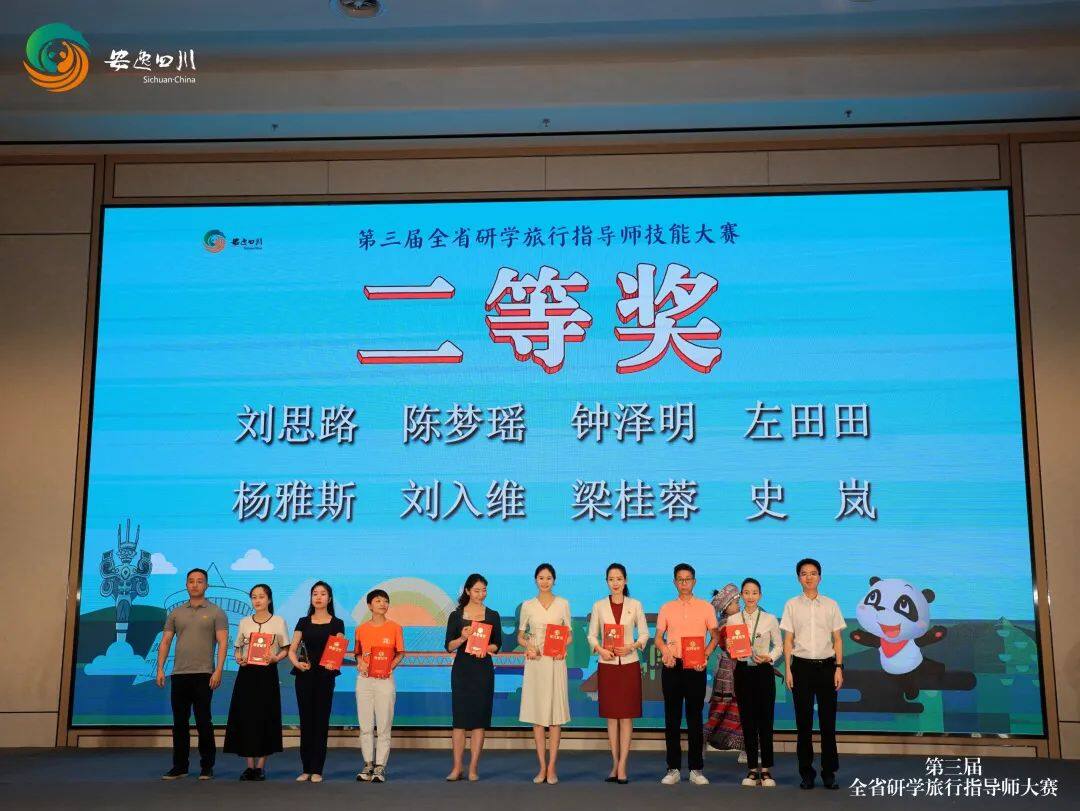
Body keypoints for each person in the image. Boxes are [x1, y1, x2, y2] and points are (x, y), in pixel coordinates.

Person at [780, 558, 846, 790]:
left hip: (827, 667)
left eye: (813, 573)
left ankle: (829, 773)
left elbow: (837, 639)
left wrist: (839, 668)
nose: (809, 577)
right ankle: (806, 773)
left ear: (820, 577)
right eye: (804, 573)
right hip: (801, 668)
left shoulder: (831, 604)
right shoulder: (791, 605)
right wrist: (788, 669)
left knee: (828, 723)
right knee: (804, 724)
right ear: (798, 578)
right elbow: (788, 641)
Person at [156, 567, 228, 780]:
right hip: (179, 674)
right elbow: (165, 641)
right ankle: (180, 766)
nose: (195, 584)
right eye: (191, 581)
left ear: (206, 585)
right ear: (186, 585)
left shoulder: (216, 612)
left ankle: (207, 766)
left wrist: (218, 670)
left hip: (204, 674)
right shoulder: (176, 613)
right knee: (179, 723)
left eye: (199, 581)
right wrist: (160, 668)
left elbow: (223, 643)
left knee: (204, 721)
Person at [655, 563, 720, 786]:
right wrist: (665, 651)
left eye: (688, 579)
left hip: (696, 667)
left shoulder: (705, 607)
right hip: (672, 666)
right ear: (675, 582)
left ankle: (696, 769)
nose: (684, 583)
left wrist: (705, 655)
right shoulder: (666, 607)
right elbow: (658, 638)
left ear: (694, 581)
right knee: (671, 718)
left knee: (695, 718)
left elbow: (715, 636)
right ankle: (672, 768)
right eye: (680, 579)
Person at [586, 562, 648, 784]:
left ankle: (623, 765)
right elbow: (592, 635)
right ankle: (614, 763)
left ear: (625, 580)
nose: (615, 583)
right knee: (611, 716)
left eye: (619, 579)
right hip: (608, 665)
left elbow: (644, 634)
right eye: (611, 579)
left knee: (626, 715)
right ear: (606, 582)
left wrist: (632, 646)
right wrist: (601, 649)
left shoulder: (635, 605)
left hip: (629, 664)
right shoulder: (599, 605)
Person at [224, 583, 289, 781]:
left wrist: (275, 658)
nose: (257, 600)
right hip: (247, 674)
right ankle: (249, 766)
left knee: (265, 717)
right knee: (246, 717)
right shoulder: (244, 622)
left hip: (267, 674)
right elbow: (237, 647)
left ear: (269, 599)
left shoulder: (278, 621)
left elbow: (286, 649)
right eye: (254, 597)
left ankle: (260, 767)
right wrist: (238, 657)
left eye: (261, 596)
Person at [444, 573, 503, 782]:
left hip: (483, 670)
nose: (481, 594)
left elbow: (497, 644)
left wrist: (487, 648)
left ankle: (473, 768)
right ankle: (457, 767)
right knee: (459, 721)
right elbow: (449, 646)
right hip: (462, 670)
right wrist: (463, 637)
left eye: (484, 590)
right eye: (477, 590)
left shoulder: (493, 615)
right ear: (468, 591)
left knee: (479, 720)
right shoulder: (456, 615)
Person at [518, 563, 572, 785]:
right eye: (541, 578)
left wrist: (563, 647)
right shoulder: (528, 605)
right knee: (538, 716)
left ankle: (552, 767)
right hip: (536, 661)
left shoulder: (563, 604)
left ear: (554, 580)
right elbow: (521, 636)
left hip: (556, 662)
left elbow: (569, 635)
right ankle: (541, 767)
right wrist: (528, 646)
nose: (545, 581)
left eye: (548, 578)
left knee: (555, 716)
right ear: (535, 580)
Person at [288, 580, 346, 783]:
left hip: (325, 677)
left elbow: (339, 648)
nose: (318, 597)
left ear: (329, 599)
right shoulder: (303, 621)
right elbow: (292, 649)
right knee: (306, 722)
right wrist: (297, 663)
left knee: (321, 722)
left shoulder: (337, 623)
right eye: (315, 594)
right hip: (304, 676)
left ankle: (317, 769)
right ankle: (306, 769)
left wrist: (334, 662)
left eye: (322, 593)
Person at [728, 578, 782, 788]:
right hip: (743, 671)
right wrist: (732, 647)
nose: (750, 596)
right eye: (746, 592)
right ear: (741, 595)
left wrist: (769, 657)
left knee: (765, 721)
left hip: (764, 671)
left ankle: (766, 769)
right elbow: (731, 648)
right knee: (748, 721)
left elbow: (778, 646)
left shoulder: (769, 619)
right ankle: (752, 769)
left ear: (760, 595)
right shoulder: (734, 619)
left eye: (754, 593)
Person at [353, 588, 405, 783]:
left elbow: (400, 653)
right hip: (364, 680)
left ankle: (380, 766)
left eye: (385, 601)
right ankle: (368, 764)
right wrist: (360, 662)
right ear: (369, 606)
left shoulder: (395, 628)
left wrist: (390, 667)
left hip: (385, 681)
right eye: (378, 601)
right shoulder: (361, 629)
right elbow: (358, 652)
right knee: (365, 725)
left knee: (383, 725)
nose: (383, 604)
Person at [704, 584, 744, 757]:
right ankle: (703, 741)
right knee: (721, 708)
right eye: (735, 602)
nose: (739, 605)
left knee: (744, 708)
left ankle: (746, 749)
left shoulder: (741, 620)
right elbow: (734, 648)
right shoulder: (725, 625)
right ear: (726, 607)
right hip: (729, 670)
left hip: (742, 667)